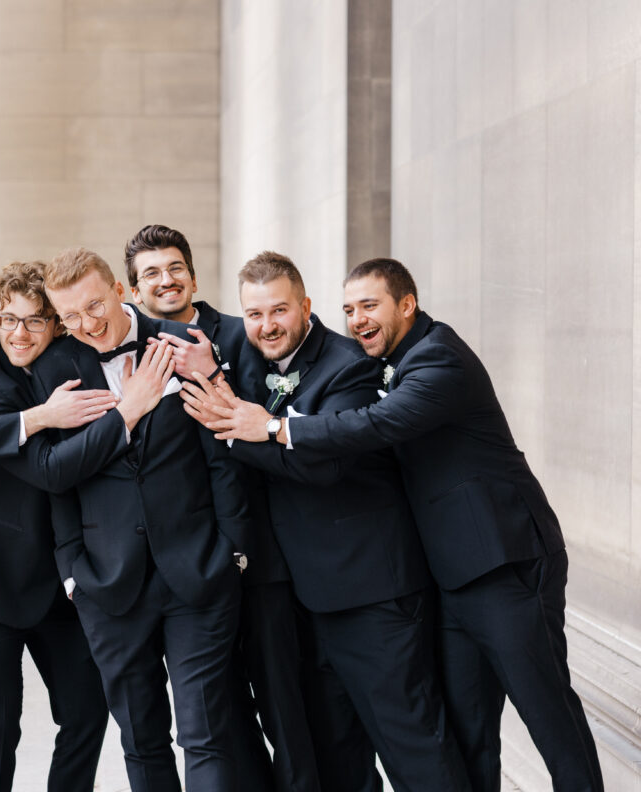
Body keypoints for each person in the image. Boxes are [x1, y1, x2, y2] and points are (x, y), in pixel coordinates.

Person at [199, 257, 603, 792]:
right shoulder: (394, 359)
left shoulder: (440, 358)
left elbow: (375, 424)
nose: (358, 319)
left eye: (370, 306)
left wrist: (271, 427)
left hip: (506, 560)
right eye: (350, 310)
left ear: (406, 304)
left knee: (547, 708)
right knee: (468, 728)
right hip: (453, 575)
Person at [182, 252, 471, 791]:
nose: (266, 326)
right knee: (338, 755)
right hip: (308, 598)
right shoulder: (253, 361)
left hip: (372, 593)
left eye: (279, 311)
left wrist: (240, 428)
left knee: (412, 744)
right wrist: (231, 407)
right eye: (254, 314)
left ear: (306, 307)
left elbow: (327, 465)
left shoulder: (350, 365)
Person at [0, 264, 170, 791]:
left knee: (87, 713)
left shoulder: (71, 366)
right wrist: (121, 414)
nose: (18, 333)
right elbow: (51, 471)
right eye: (8, 320)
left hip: (64, 584)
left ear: (56, 324)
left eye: (34, 321)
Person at [34, 247, 250, 792]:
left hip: (198, 569)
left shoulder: (180, 345)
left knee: (206, 735)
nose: (86, 325)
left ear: (120, 288)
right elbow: (58, 480)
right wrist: (70, 569)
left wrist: (234, 548)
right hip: (105, 582)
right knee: (141, 740)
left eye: (93, 306)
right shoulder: (54, 366)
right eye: (70, 317)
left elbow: (221, 453)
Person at [126, 224, 299, 791]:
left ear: (193, 276)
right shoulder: (133, 354)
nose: (165, 279)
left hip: (265, 552)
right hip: (193, 569)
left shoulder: (241, 333)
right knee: (219, 712)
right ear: (134, 289)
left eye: (174, 267)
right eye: (150, 272)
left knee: (283, 703)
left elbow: (265, 413)